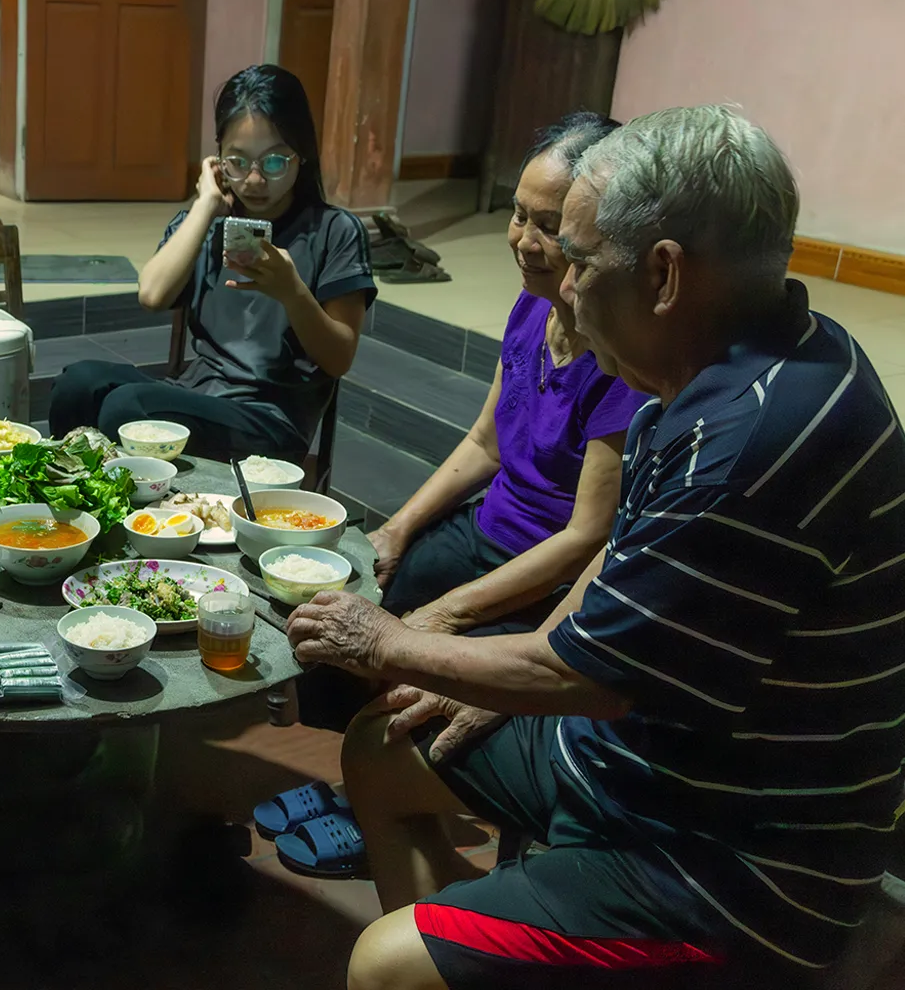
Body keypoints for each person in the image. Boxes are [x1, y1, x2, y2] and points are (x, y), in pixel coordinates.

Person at [288, 105, 905, 988]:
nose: (562, 287)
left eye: (576, 259)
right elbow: (611, 575)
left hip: (729, 863)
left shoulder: (753, 441)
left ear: (662, 274)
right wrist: (491, 676)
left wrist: (387, 641)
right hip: (641, 764)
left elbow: (593, 679)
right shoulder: (722, 364)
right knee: (380, 749)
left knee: (381, 966)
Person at [293, 114, 644, 737]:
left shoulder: (621, 358)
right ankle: (335, 770)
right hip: (486, 527)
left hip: (539, 567)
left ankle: (378, 783)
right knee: (347, 601)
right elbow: (486, 440)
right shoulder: (534, 304)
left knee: (408, 663)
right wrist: (397, 528)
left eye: (549, 226)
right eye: (518, 215)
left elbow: (586, 536)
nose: (523, 241)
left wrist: (448, 613)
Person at [48, 65, 375, 459]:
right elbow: (152, 294)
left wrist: (293, 294)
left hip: (271, 420)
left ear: (301, 155)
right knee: (78, 383)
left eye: (273, 163)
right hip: (197, 394)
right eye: (238, 161)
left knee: (128, 410)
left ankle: (122, 502)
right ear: (217, 157)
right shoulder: (205, 222)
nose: (254, 180)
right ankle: (73, 497)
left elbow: (339, 358)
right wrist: (205, 206)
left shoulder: (335, 231)